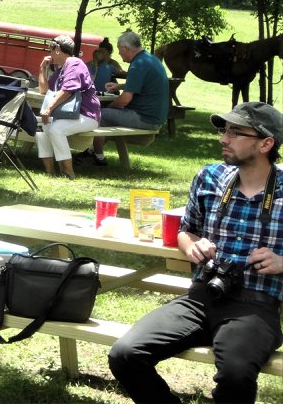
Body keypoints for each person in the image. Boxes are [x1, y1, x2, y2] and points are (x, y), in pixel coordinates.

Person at [108, 101, 283, 403]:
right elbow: (186, 230)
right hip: (201, 297)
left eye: (235, 133)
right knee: (125, 354)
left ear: (266, 143)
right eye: (224, 130)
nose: (223, 139)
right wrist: (192, 245)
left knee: (236, 375)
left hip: (254, 307)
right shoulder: (210, 177)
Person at [75, 30, 169, 167]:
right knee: (107, 114)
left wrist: (110, 107)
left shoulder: (138, 64)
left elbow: (125, 99)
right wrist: (119, 86)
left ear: (125, 48)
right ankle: (91, 151)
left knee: (100, 114)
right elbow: (143, 84)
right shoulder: (150, 59)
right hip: (155, 117)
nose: (119, 54)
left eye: (119, 50)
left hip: (145, 118)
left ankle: (98, 157)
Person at [34, 35, 101, 179]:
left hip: (86, 115)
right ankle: (49, 172)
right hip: (69, 115)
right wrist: (42, 69)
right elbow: (44, 90)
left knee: (55, 129)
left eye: (50, 50)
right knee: (41, 127)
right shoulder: (61, 70)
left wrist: (48, 109)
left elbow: (67, 90)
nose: (50, 54)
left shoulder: (74, 63)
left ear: (57, 49)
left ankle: (68, 172)